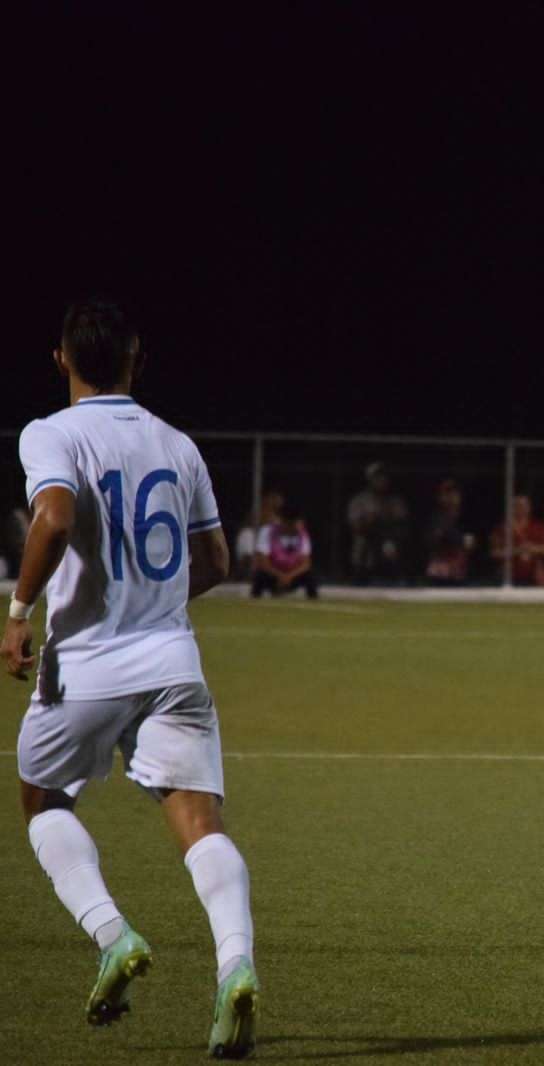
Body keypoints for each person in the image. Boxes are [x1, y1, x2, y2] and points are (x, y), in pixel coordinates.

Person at [1, 302, 258, 1057]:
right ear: (135, 361)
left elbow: (51, 518)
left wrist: (18, 614)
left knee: (43, 801)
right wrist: (155, 609)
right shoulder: (177, 445)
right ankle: (236, 965)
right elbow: (213, 563)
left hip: (83, 666)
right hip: (173, 662)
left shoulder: (53, 432)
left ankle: (113, 936)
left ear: (60, 360)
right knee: (200, 825)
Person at [346, 462, 409, 584]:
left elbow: (403, 525)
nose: (381, 480)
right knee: (362, 543)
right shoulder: (360, 500)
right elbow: (355, 527)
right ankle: (360, 578)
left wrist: (388, 519)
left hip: (388, 542)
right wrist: (370, 520)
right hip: (367, 544)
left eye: (384, 476)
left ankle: (397, 579)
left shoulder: (395, 501)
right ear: (370, 479)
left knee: (390, 545)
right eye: (377, 477)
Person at [251, 499, 318, 598]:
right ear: (283, 521)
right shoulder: (267, 532)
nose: (294, 527)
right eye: (291, 523)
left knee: (310, 576)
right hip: (273, 575)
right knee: (260, 575)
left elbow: (306, 564)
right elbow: (263, 562)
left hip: (293, 576)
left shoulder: (303, 535)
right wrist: (280, 575)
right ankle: (254, 599)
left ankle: (313, 600)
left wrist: (289, 576)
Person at [488, 493, 544, 587]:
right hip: (509, 573)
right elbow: (494, 552)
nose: (521, 508)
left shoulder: (539, 527)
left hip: (534, 573)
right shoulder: (501, 528)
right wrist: (517, 550)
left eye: (524, 505)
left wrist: (533, 548)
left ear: (529, 507)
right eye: (517, 505)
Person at [423, 479, 474, 585]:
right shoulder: (436, 519)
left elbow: (471, 544)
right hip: (440, 572)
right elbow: (431, 542)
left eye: (453, 493)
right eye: (446, 493)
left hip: (460, 571)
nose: (450, 497)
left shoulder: (467, 518)